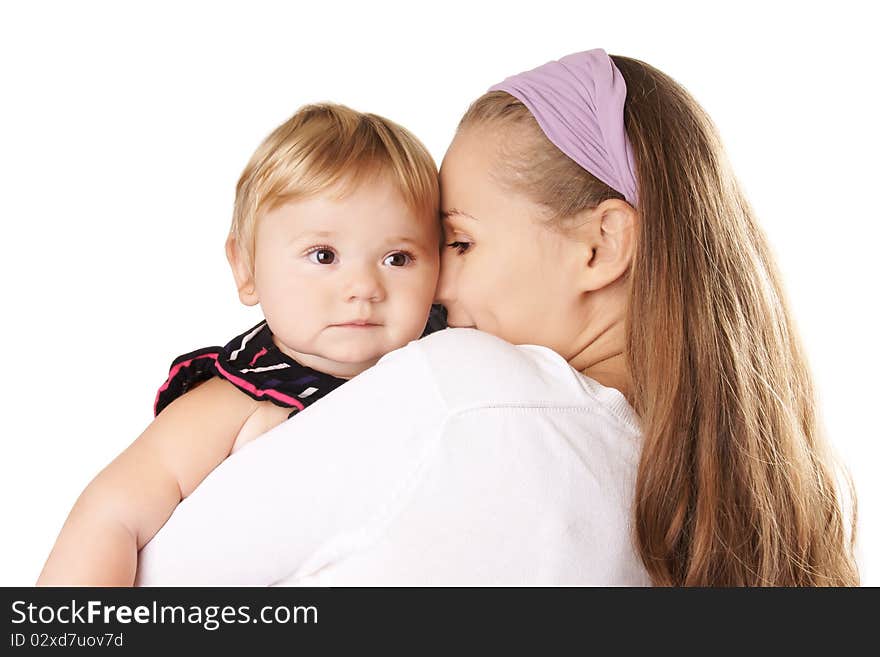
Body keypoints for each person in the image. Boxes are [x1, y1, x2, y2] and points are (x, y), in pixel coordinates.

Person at [120, 49, 862, 586]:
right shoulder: (702, 502)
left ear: (600, 246)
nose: (434, 287)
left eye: (461, 240)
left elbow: (144, 593)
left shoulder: (464, 392)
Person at [36, 103, 445, 586]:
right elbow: (110, 514)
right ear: (246, 268)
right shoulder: (237, 398)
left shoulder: (450, 359)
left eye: (398, 258)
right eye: (323, 255)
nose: (363, 286)